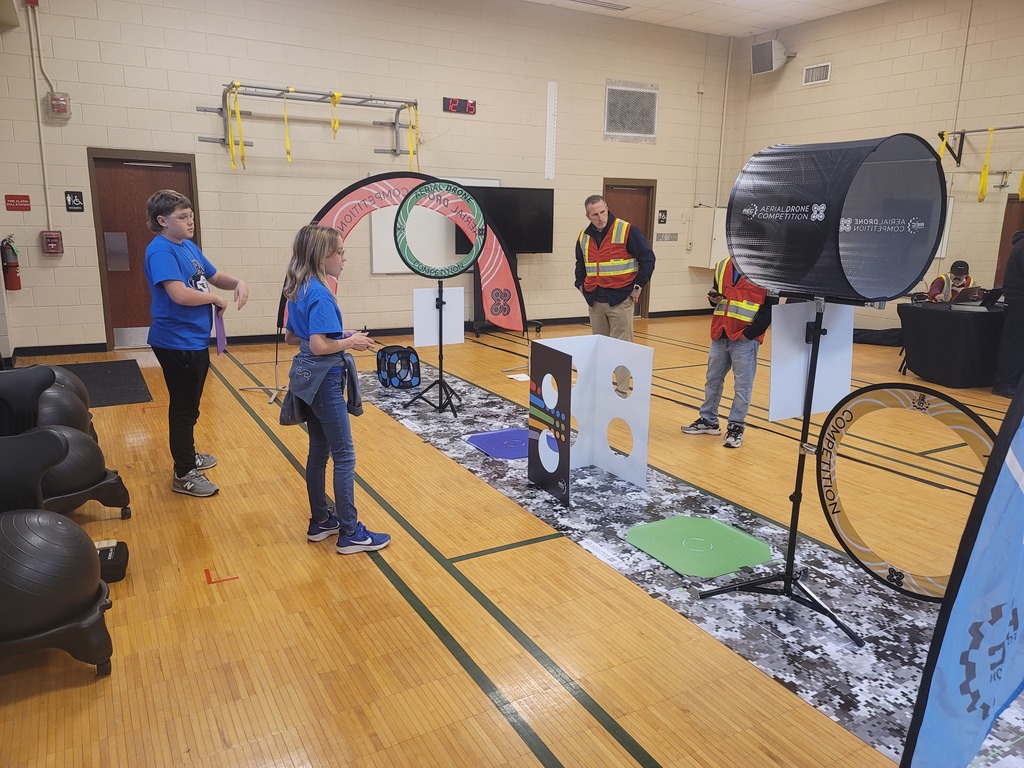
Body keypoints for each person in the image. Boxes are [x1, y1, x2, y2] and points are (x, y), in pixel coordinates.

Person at [282, 224, 391, 554]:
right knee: (344, 456)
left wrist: (338, 332)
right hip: (324, 379)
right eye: (340, 252)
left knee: (319, 450)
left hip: (305, 379)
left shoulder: (299, 286)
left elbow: (293, 337)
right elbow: (318, 345)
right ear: (322, 255)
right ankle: (350, 532)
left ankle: (321, 521)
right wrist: (351, 341)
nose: (344, 258)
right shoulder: (320, 291)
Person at [144, 189, 248, 497]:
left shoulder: (187, 246)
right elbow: (179, 293)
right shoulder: (161, 251)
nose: (190, 221)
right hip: (176, 341)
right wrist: (215, 298)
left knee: (191, 404)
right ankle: (184, 472)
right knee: (184, 407)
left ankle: (188, 455)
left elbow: (214, 276)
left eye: (190, 215)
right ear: (162, 221)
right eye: (182, 217)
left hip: (193, 339)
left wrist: (238, 282)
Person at [681, 256, 772, 449]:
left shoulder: (766, 268)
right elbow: (718, 297)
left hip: (744, 338)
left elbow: (770, 308)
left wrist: (750, 334)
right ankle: (709, 421)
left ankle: (736, 427)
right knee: (712, 380)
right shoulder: (722, 265)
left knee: (742, 386)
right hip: (720, 332)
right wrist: (713, 299)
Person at [574, 195, 656, 396]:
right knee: (599, 347)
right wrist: (581, 285)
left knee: (621, 347)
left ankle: (621, 390)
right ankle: (601, 387)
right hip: (595, 299)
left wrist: (638, 287)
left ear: (607, 209)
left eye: (603, 212)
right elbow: (580, 264)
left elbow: (648, 258)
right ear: (588, 216)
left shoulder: (627, 230)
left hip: (620, 300)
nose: (600, 217)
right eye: (595, 214)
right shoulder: (583, 236)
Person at [992, 230, 1024, 398]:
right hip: (1019, 302)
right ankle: (1004, 384)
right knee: (1014, 345)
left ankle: (1013, 382)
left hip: (1017, 300)